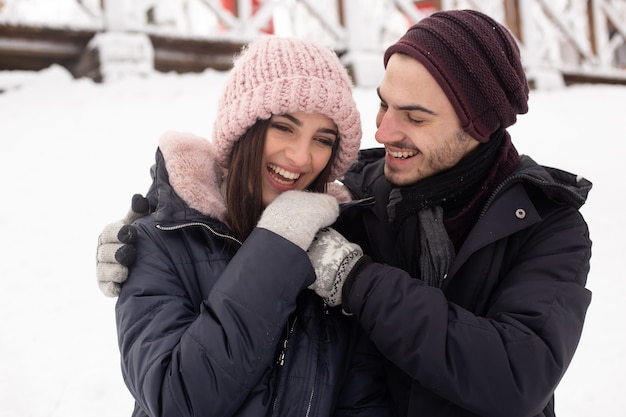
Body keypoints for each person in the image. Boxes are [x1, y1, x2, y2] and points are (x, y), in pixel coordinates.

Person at [98, 9, 593, 417]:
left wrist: (356, 279)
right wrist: (162, 217)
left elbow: (516, 377)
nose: (385, 132)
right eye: (382, 105)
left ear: (479, 127)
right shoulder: (356, 200)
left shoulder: (548, 226)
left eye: (415, 117)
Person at [98, 36, 391, 417]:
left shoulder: (338, 255)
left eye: (322, 139)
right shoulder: (160, 242)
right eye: (285, 127)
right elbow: (179, 401)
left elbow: (363, 400)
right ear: (243, 130)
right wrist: (278, 244)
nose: (301, 156)